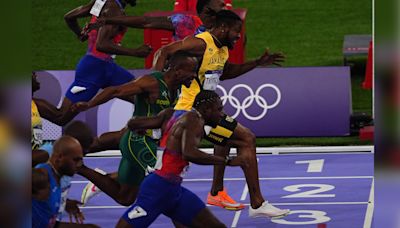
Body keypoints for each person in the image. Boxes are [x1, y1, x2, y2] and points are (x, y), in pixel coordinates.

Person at [79, 0, 246, 211]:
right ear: (207, 11)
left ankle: (95, 173)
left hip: (177, 96)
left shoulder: (217, 45)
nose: (224, 8)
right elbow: (146, 22)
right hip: (159, 104)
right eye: (219, 6)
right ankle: (77, 154)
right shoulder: (185, 23)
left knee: (128, 192)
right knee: (161, 173)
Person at [153, 10, 290, 218]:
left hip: (205, 113)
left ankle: (225, 195)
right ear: (223, 28)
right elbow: (164, 51)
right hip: (186, 113)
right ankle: (253, 203)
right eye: (237, 31)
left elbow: (226, 73)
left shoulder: (223, 49)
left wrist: (256, 63)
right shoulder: (200, 43)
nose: (238, 36)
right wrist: (157, 88)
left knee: (237, 139)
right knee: (156, 173)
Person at [74, 51, 197, 208]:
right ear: (177, 70)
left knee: (125, 198)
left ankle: (82, 169)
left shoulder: (178, 88)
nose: (194, 75)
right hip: (138, 141)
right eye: (191, 71)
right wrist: (89, 104)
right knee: (166, 178)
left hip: (149, 141)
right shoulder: (152, 82)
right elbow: (115, 91)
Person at [117, 91, 240, 228]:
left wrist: (136, 128)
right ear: (206, 110)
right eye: (219, 109)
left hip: (173, 190)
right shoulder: (195, 121)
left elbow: (134, 122)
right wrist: (226, 161)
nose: (222, 114)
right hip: (158, 189)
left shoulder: (172, 113)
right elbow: (189, 153)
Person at [34, 0, 152, 126]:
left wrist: (80, 34)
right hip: (93, 69)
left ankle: (138, 136)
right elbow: (102, 45)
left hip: (107, 68)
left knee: (142, 96)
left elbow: (70, 17)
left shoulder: (101, 3)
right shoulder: (113, 9)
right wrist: (135, 52)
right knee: (61, 116)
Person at [32, 136, 99, 228]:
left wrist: (64, 203)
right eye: (75, 160)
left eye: (81, 160)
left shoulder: (56, 177)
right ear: (60, 157)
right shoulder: (42, 177)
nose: (79, 165)